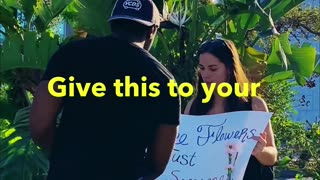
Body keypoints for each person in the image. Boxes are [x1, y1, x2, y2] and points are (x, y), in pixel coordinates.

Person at [30, 0, 181, 179]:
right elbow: (158, 162)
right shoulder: (164, 80)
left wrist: (66, 157)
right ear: (152, 30)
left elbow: (40, 126)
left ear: (112, 23)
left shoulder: (70, 55)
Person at [184, 39, 277, 179]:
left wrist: (261, 151)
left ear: (229, 68)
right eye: (202, 68)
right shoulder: (193, 106)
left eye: (213, 68)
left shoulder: (254, 105)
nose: (206, 75)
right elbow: (184, 152)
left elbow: (272, 156)